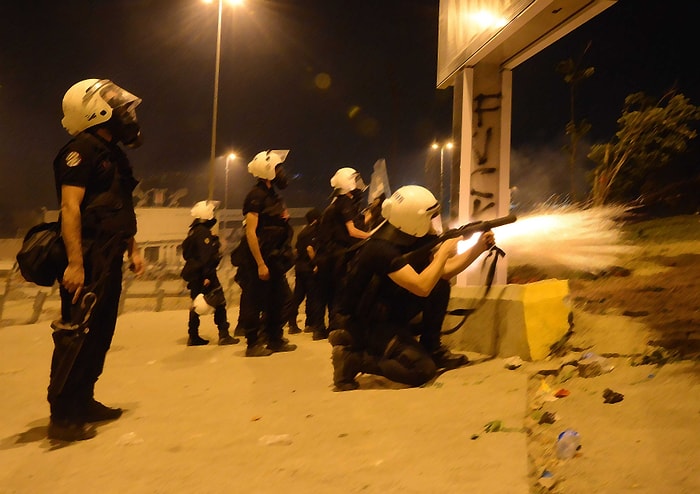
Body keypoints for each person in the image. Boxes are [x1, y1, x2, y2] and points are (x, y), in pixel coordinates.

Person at [48, 79, 146, 441]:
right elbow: (69, 208)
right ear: (93, 109)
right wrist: (75, 263)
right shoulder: (79, 151)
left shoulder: (114, 155)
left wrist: (133, 249)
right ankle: (62, 416)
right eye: (113, 100)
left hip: (110, 254)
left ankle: (84, 399)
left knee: (101, 332)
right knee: (76, 334)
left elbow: (121, 207)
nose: (123, 106)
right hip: (86, 255)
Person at [329, 185, 496, 391]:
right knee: (422, 370)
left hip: (385, 312)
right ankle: (353, 358)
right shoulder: (380, 249)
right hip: (364, 323)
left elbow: (443, 272)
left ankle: (432, 347)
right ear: (413, 220)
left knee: (440, 284)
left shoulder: (409, 238)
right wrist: (444, 251)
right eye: (429, 217)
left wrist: (478, 247)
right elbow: (421, 287)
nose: (433, 223)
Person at [231, 150, 297, 357]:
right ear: (268, 171)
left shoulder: (272, 195)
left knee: (281, 298)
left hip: (275, 257)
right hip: (261, 258)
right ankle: (253, 343)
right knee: (254, 300)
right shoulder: (255, 196)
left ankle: (274, 338)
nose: (281, 172)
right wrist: (260, 263)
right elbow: (250, 232)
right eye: (278, 168)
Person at [314, 167, 370, 340]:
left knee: (325, 293)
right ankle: (334, 327)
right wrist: (371, 236)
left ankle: (322, 328)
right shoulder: (344, 202)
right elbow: (352, 231)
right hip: (336, 256)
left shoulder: (337, 203)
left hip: (327, 256)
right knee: (338, 292)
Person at [181, 200, 239, 346]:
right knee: (219, 301)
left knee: (196, 303)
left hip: (195, 274)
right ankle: (223, 334)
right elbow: (205, 256)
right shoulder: (203, 233)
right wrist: (207, 275)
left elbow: (188, 254)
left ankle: (193, 335)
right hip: (204, 274)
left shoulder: (193, 231)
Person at [288, 207, 324, 335]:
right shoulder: (314, 231)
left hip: (300, 267)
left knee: (297, 296)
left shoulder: (302, 232)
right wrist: (316, 263)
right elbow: (310, 249)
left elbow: (297, 250)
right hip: (308, 268)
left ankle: (292, 323)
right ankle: (311, 324)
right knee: (312, 297)